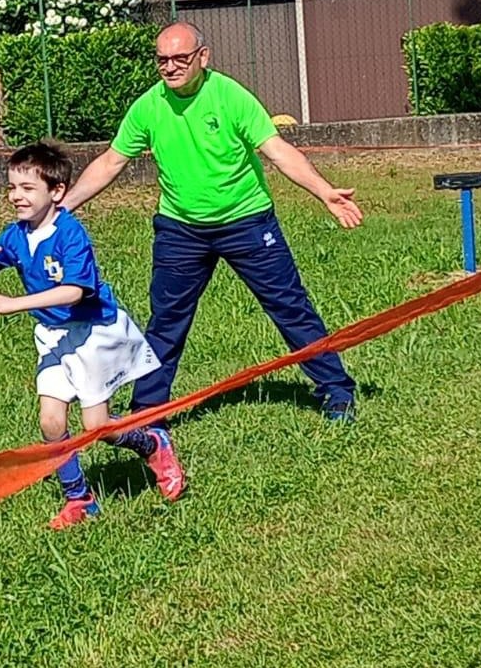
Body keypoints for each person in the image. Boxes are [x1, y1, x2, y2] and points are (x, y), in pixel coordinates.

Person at [61, 21, 363, 424]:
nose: (170, 67)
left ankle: (337, 391)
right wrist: (64, 207)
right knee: (166, 321)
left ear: (203, 57)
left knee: (290, 308)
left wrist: (324, 192)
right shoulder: (149, 106)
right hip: (180, 230)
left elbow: (277, 150)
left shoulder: (230, 96)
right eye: (162, 60)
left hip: (247, 222)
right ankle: (148, 413)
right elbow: (112, 161)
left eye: (180, 58)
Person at [0, 140, 186, 530]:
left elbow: (74, 291)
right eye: (12, 187)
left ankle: (153, 444)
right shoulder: (16, 234)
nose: (16, 196)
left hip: (91, 333)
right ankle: (80, 499)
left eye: (27, 188)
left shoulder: (70, 234)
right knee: (51, 422)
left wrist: (16, 303)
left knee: (97, 427)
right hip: (52, 337)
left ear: (57, 192)